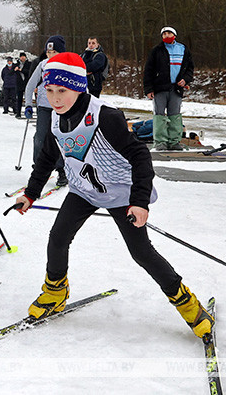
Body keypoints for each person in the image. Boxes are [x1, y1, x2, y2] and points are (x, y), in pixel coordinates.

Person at [13, 52, 213, 339]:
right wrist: (30, 194)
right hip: (84, 191)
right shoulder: (56, 121)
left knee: (141, 253)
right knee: (58, 237)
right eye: (49, 91)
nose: (55, 99)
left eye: (62, 91)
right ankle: (55, 292)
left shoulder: (105, 117)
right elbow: (47, 158)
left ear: (79, 87)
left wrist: (140, 201)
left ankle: (188, 304)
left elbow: (140, 157)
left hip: (121, 193)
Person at [24, 36, 68, 187]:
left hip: (61, 109)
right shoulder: (43, 65)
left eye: (54, 52)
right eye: (48, 52)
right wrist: (28, 104)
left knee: (59, 139)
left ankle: (62, 170)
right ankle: (38, 167)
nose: (50, 55)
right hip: (43, 107)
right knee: (40, 138)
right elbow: (30, 85)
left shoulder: (67, 66)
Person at [143, 27, 194, 151]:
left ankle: (174, 141)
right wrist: (149, 89)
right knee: (159, 116)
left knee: (175, 116)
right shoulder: (156, 51)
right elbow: (148, 71)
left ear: (174, 35)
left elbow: (190, 69)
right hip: (159, 88)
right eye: (164, 34)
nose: (166, 36)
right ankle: (160, 141)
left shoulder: (183, 49)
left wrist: (185, 79)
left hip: (176, 88)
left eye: (169, 33)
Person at [14, 52, 31, 118]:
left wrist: (21, 70)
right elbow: (12, 72)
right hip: (19, 84)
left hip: (26, 83)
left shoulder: (29, 64)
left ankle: (28, 112)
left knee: (28, 99)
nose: (22, 58)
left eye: (24, 56)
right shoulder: (17, 64)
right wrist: (16, 70)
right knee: (19, 99)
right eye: (21, 57)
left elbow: (29, 72)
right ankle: (18, 113)